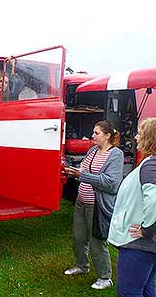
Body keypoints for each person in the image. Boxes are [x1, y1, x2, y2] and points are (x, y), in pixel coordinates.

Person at [64, 120, 124, 290]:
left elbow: (111, 184)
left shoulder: (116, 155)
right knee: (78, 238)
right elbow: (84, 171)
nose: (92, 136)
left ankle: (105, 277)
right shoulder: (92, 151)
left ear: (107, 135)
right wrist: (73, 171)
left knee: (97, 242)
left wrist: (83, 175)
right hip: (81, 202)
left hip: (97, 206)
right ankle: (82, 266)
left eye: (96, 133)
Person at [108, 118, 156, 297]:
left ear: (150, 138)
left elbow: (154, 200)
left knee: (129, 290)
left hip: (141, 245)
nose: (135, 137)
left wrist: (147, 230)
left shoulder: (151, 165)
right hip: (149, 246)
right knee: (146, 287)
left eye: (140, 134)